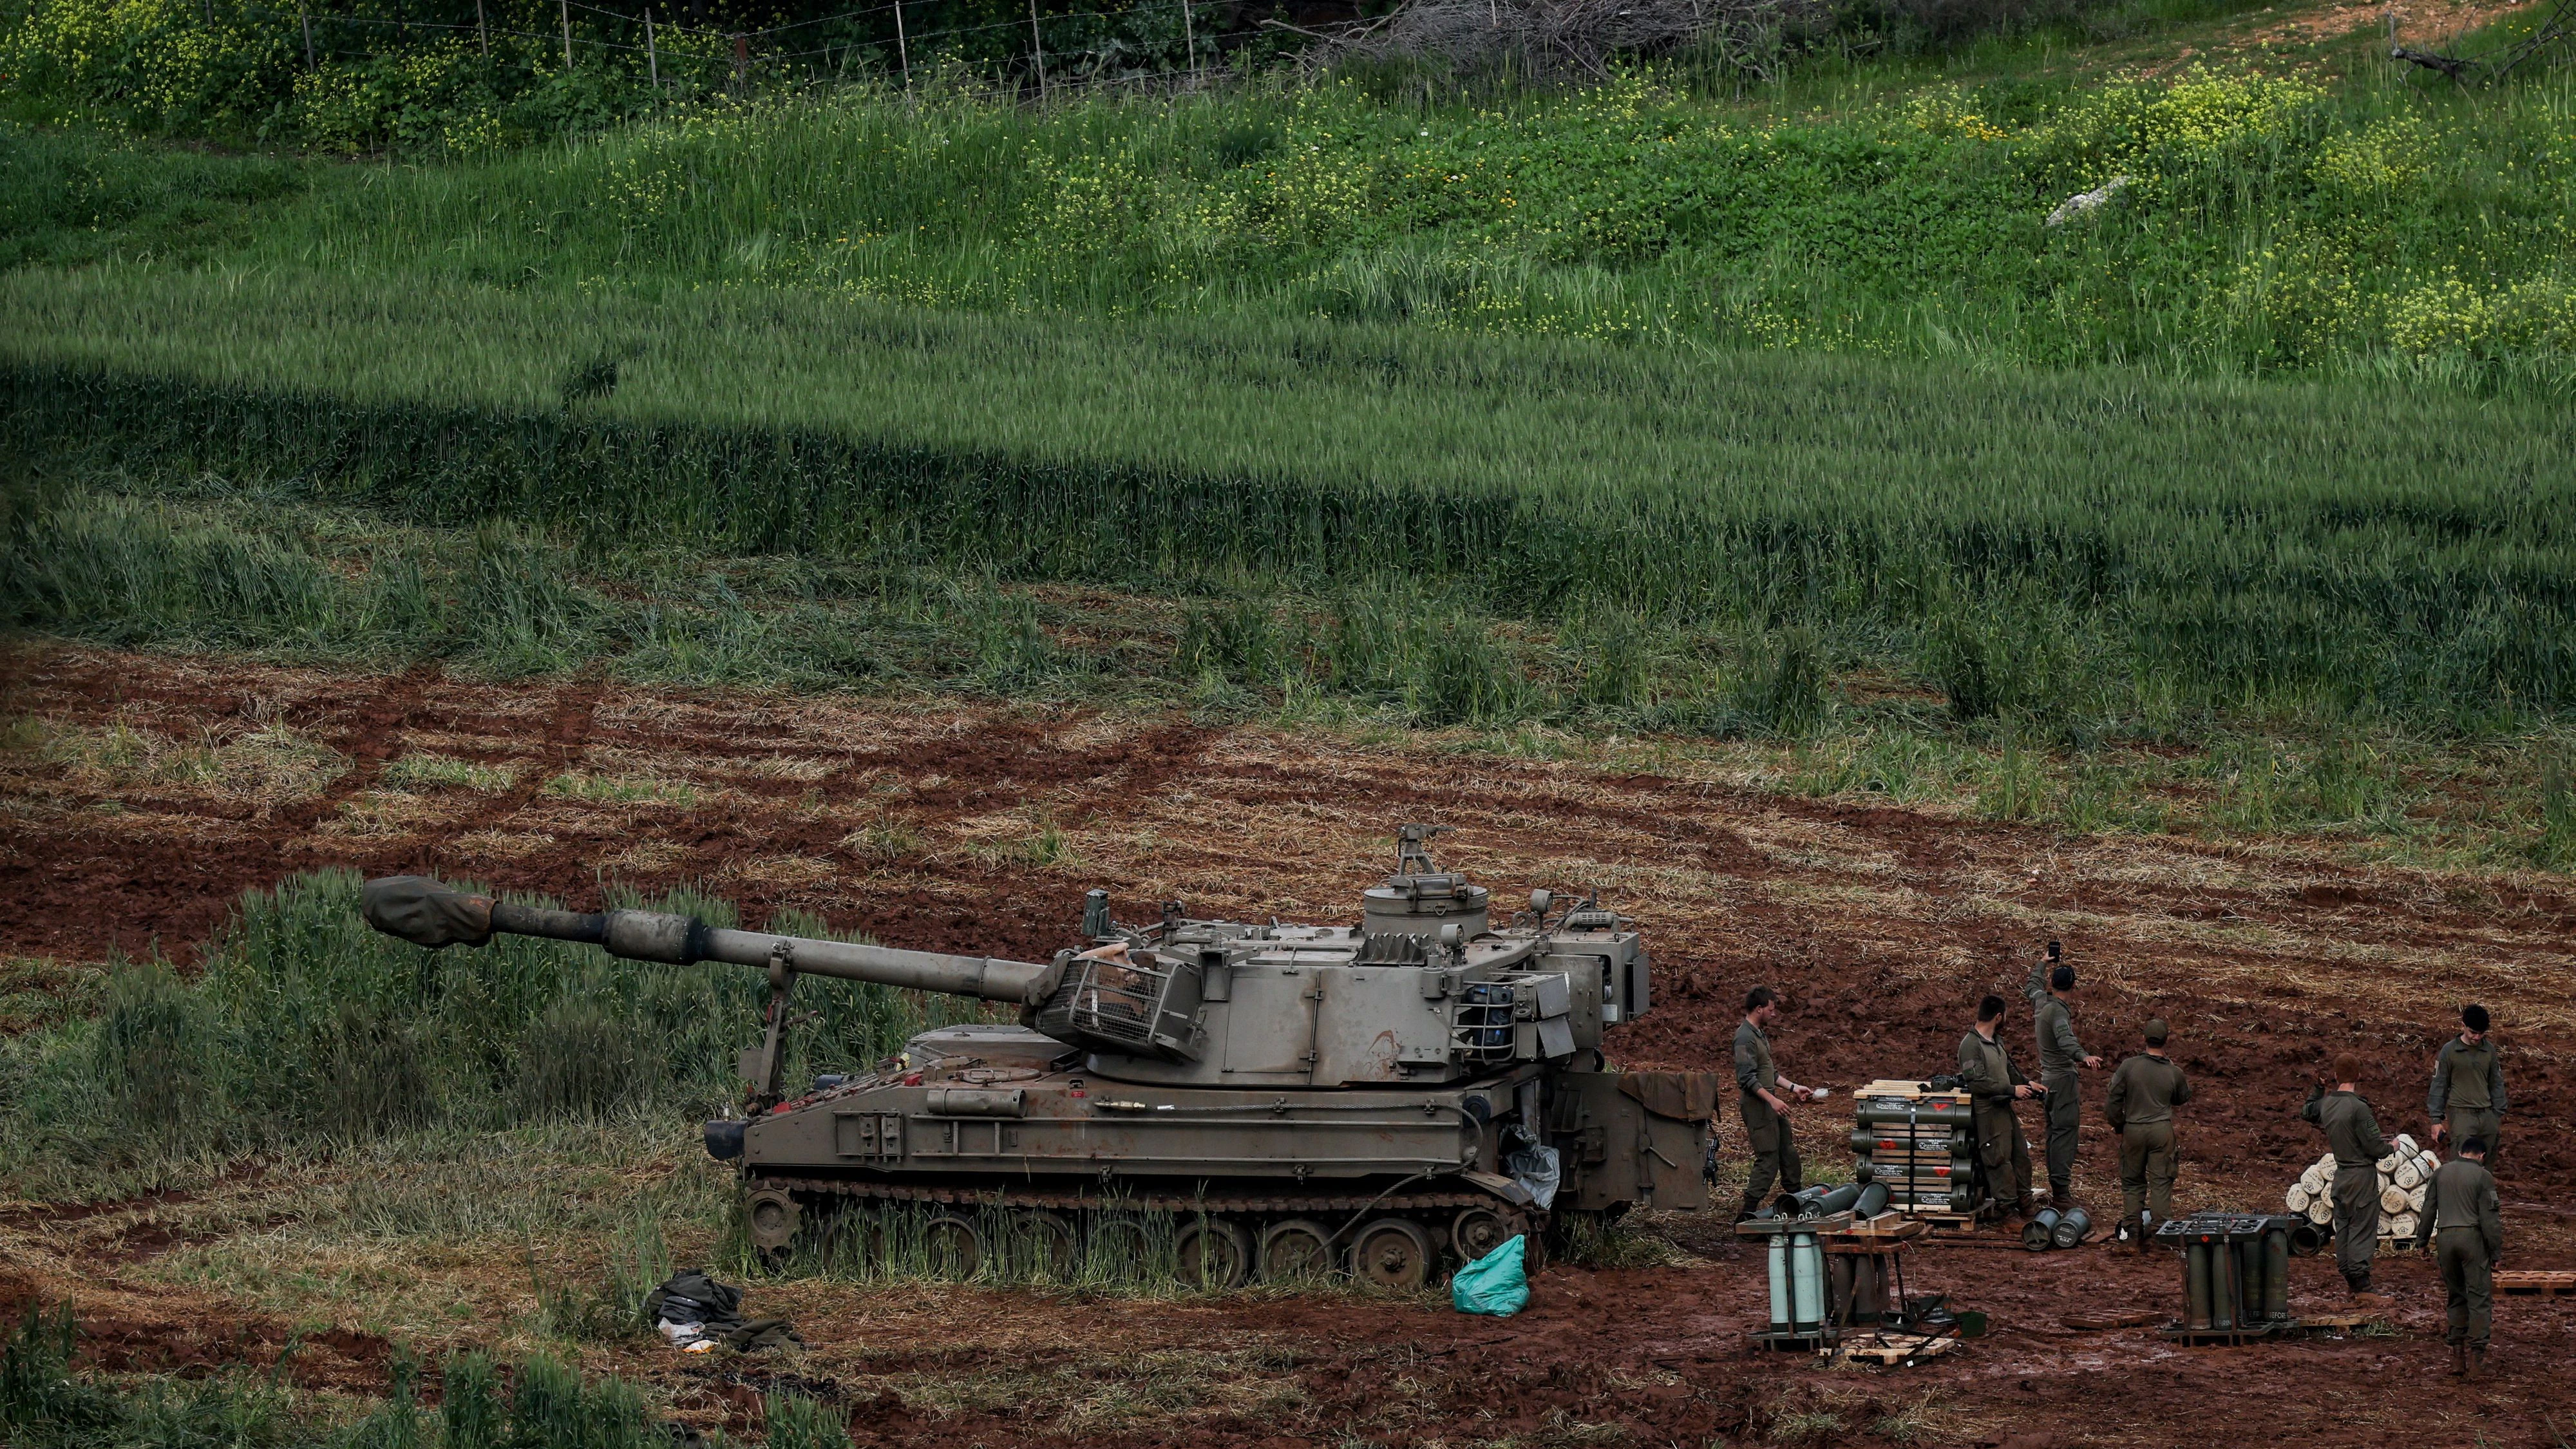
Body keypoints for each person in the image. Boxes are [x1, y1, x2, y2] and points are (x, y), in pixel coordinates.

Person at [2414, 1136, 2505, 1378]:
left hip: (2445, 1239)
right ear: (2481, 1156)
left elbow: (2428, 1210)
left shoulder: (2441, 1173)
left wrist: (2422, 1242)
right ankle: (2477, 1361)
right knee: (2479, 1298)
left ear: (2461, 1151)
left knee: (2455, 1296)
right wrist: (2495, 1251)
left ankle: (2457, 1358)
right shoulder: (2483, 1176)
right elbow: (2490, 1219)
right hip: (2471, 1239)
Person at [2023, 942, 2105, 1209]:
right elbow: (2065, 1039)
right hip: (2062, 1081)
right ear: (2073, 987)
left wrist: (2042, 963)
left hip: (2048, 1079)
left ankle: (2058, 1188)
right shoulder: (2057, 1011)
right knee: (2064, 1135)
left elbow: (2032, 986)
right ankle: (2061, 1193)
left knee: (2053, 1134)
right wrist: (2084, 1056)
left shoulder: (2041, 1001)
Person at [2304, 1056, 2392, 1300]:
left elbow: (2307, 1112)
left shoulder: (2327, 1103)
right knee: (2362, 1228)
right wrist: (2391, 1147)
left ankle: (2350, 1279)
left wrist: (2318, 1089)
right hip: (2361, 1177)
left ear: (2335, 1076)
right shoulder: (2359, 1108)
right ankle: (2363, 1285)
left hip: (2340, 1176)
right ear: (2358, 1076)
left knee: (2343, 1228)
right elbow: (2375, 1147)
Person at [2102, 1018, 2190, 1249]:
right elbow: (2182, 1097)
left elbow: (2113, 1098)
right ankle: (2162, 1235)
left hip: (2133, 1129)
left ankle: (2131, 1234)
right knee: (2161, 1182)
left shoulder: (2129, 1067)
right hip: (2161, 1130)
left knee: (2132, 1183)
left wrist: (2119, 1123)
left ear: (2144, 1039)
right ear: (2166, 1040)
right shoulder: (2174, 1072)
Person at [1734, 987, 1815, 1220]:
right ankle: (1747, 1213)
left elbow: (1769, 1072)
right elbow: (1747, 1079)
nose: (1774, 1013)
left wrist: (1793, 1087)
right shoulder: (1744, 1038)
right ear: (1759, 1009)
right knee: (1768, 1157)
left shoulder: (1758, 1034)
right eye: (1771, 1009)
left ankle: (1796, 1200)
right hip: (1759, 1106)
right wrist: (1772, 1101)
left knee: (1787, 1152)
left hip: (1770, 1104)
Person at [1958, 994, 2040, 1220]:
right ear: (1998, 1016)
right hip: (1988, 1112)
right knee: (1998, 1159)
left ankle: (2026, 1203)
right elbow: (1977, 1083)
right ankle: (2007, 1210)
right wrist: (2012, 1090)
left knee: (2020, 1156)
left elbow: (2010, 1070)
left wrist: (2027, 1083)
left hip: (2004, 1108)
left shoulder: (1996, 1041)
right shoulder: (1970, 1045)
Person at [2428, 1005, 2506, 1164]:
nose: (2477, 1038)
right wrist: (2436, 1120)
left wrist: (2496, 1115)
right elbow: (2439, 1084)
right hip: (2462, 1115)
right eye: (2473, 1032)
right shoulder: (2449, 1051)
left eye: (2481, 1033)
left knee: (2486, 1165)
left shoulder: (2489, 1050)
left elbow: (2496, 1083)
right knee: (2462, 1165)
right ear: (2463, 1026)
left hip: (2487, 1116)